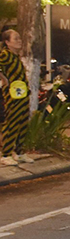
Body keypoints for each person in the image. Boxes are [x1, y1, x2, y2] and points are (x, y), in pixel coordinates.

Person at [0, 29, 33, 165]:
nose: (19, 41)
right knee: (12, 123)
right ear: (7, 42)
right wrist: (4, 79)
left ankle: (19, 152)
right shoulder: (5, 55)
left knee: (22, 123)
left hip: (22, 94)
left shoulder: (15, 56)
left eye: (19, 38)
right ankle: (6, 153)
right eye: (16, 39)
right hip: (13, 95)